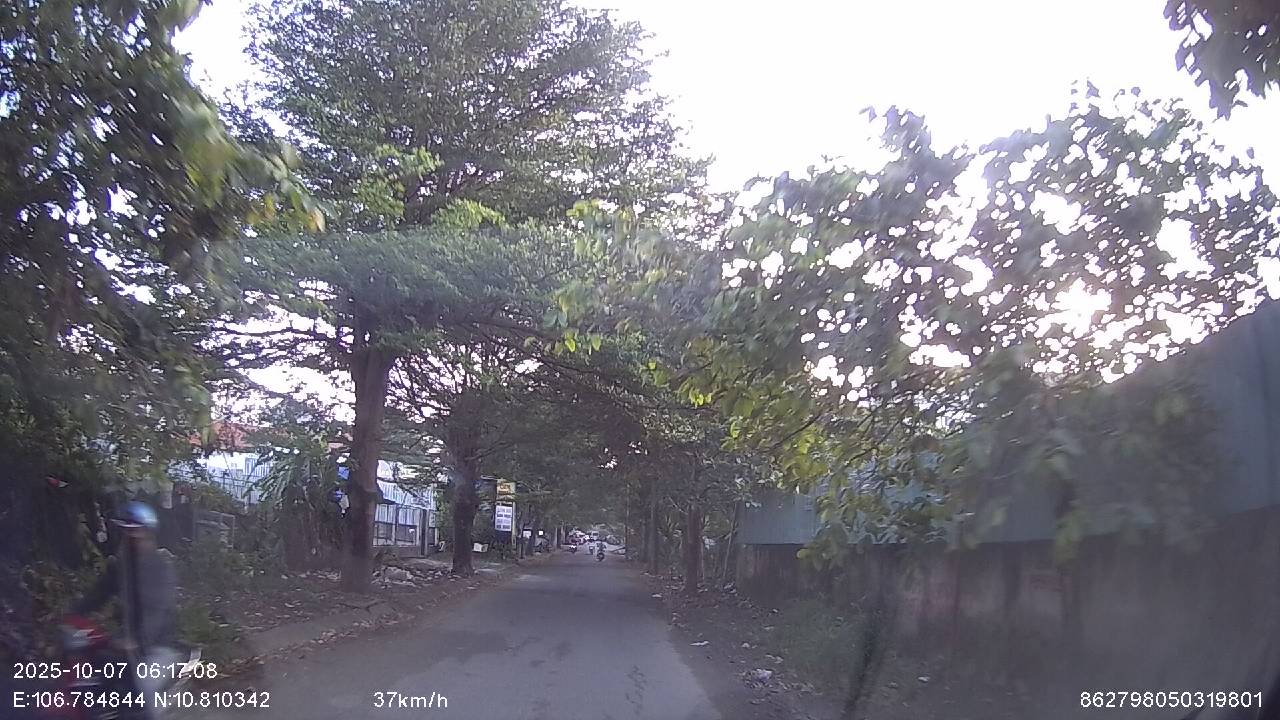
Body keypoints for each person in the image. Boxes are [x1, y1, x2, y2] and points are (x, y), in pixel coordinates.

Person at [73, 501, 180, 698]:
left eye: (135, 532)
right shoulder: (121, 567)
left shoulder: (160, 567)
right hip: (125, 641)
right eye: (126, 532)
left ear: (149, 533)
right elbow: (97, 595)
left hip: (158, 645)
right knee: (92, 674)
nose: (130, 538)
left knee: (141, 693)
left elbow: (155, 611)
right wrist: (72, 616)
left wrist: (138, 641)